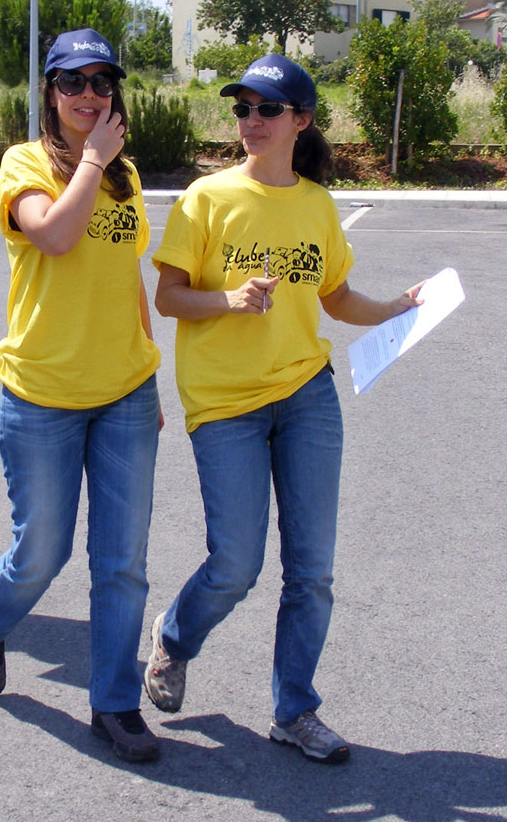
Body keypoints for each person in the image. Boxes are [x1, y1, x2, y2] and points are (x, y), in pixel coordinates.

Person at [146, 54, 423, 763]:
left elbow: (336, 296)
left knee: (312, 571)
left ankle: (294, 710)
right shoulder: (206, 199)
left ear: (301, 120)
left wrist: (395, 308)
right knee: (236, 563)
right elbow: (168, 297)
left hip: (306, 395)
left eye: (267, 109)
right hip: (224, 404)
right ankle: (173, 636)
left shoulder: (317, 205)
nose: (251, 121)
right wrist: (229, 299)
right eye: (242, 108)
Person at [0, 29, 164, 763]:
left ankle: (115, 702)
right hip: (42, 393)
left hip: (125, 393)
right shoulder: (25, 164)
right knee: (42, 552)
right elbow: (55, 236)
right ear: (49, 93)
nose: (89, 95)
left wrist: (149, 370)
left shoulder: (123, 175)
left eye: (102, 82)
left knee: (123, 560)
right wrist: (94, 161)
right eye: (72, 82)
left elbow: (127, 274)